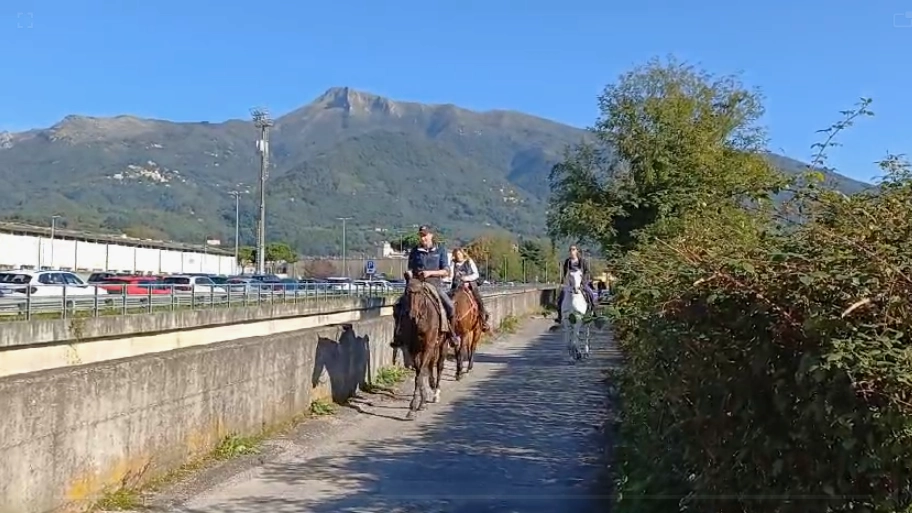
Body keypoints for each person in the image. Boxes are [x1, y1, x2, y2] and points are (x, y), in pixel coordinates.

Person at [390, 225, 459, 348]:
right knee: (399, 306)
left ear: (431, 235)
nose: (423, 238)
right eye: (421, 235)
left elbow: (446, 271)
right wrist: (409, 273)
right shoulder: (415, 251)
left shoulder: (440, 250)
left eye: (425, 235)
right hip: (417, 284)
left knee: (450, 307)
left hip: (434, 284)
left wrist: (430, 273)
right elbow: (410, 268)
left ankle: (451, 335)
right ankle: (398, 335)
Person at [449, 247, 492, 332]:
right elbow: (450, 275)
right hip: (456, 286)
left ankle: (483, 320)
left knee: (478, 300)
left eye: (459, 254)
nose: (458, 256)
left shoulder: (469, 261)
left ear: (462, 253)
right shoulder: (453, 263)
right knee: (448, 301)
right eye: (456, 254)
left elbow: (476, 274)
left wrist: (467, 278)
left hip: (469, 285)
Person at [554, 245, 597, 323]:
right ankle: (560, 315)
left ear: (577, 251)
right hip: (570, 283)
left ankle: (593, 311)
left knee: (590, 293)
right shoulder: (568, 261)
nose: (571, 251)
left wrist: (583, 281)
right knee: (560, 296)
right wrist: (563, 281)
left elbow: (587, 272)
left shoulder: (582, 261)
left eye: (573, 249)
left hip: (581, 282)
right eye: (570, 250)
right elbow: (565, 273)